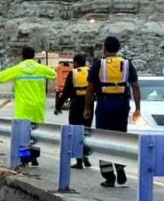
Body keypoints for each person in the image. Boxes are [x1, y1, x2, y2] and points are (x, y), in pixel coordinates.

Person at [85, 36, 142, 187]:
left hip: (104, 103)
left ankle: (109, 176)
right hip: (122, 104)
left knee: (103, 138)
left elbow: (90, 88)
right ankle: (120, 165)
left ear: (105, 48)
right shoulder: (127, 63)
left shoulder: (99, 64)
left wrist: (87, 108)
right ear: (118, 49)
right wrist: (138, 109)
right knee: (119, 137)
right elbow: (135, 86)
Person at [0, 46, 57, 124]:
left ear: (22, 56)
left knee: (22, 132)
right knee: (37, 131)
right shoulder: (41, 69)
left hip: (23, 108)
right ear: (34, 56)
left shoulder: (17, 69)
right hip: (37, 108)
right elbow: (54, 74)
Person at [54, 54, 92, 168]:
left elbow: (66, 93)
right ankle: (86, 155)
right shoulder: (91, 72)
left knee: (75, 131)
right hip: (89, 105)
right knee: (86, 131)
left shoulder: (74, 73)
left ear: (75, 63)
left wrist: (58, 106)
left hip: (76, 104)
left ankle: (79, 160)